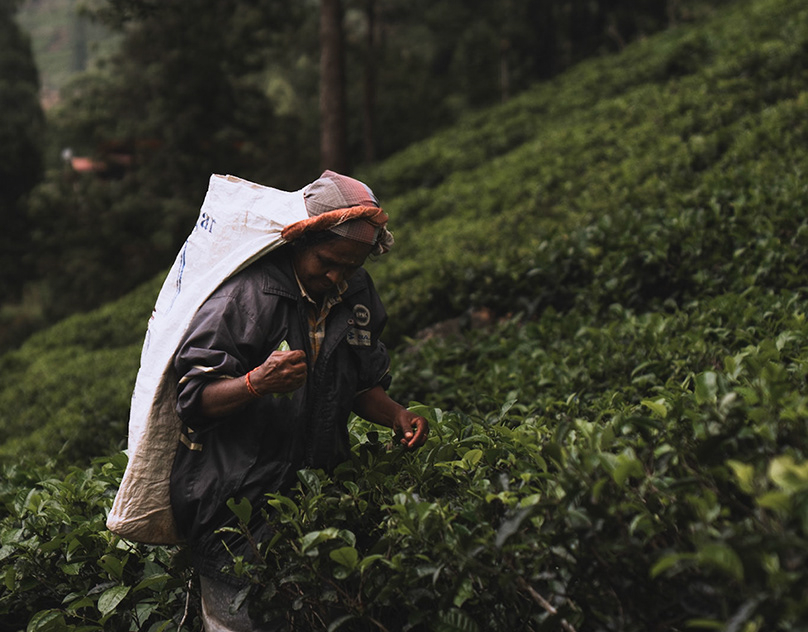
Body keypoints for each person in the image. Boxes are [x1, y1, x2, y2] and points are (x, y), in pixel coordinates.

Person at [169, 170, 429, 631]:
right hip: (236, 507)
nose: (336, 277)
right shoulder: (246, 296)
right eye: (327, 262)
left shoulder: (355, 294)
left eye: (350, 267)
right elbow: (193, 398)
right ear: (300, 240)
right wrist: (256, 383)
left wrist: (396, 415)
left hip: (317, 501)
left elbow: (360, 383)